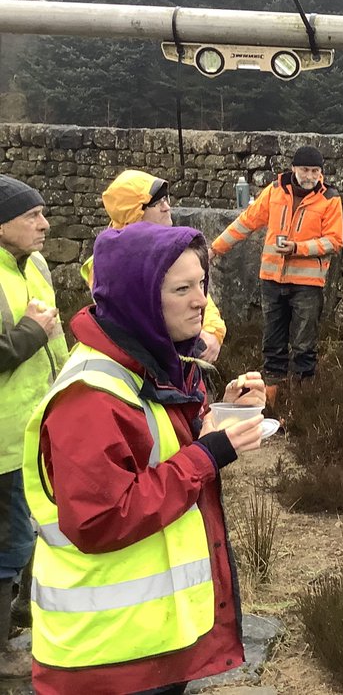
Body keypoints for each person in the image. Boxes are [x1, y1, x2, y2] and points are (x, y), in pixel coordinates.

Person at [21, 222, 266, 694]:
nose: (201, 301)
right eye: (182, 289)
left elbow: (158, 440)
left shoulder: (146, 358)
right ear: (139, 299)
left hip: (148, 639)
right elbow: (101, 519)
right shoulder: (90, 397)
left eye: (202, 284)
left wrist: (221, 412)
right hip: (106, 656)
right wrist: (207, 456)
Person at [210, 146, 343, 406]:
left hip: (307, 283)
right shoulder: (274, 191)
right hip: (272, 279)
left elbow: (335, 241)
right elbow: (246, 222)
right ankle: (271, 402)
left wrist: (298, 248)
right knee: (272, 344)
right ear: (293, 168)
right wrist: (215, 249)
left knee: (304, 346)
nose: (310, 176)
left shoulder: (329, 198)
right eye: (305, 170)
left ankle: (302, 404)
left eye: (315, 171)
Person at [0, 177, 67, 679]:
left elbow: (57, 338)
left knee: (36, 530)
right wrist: (29, 333)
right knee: (10, 543)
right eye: (32, 216)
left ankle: (23, 620)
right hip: (3, 441)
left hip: (41, 428)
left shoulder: (36, 263)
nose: (44, 225)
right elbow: (36, 334)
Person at [81, 169, 227, 362]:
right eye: (157, 203)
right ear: (136, 212)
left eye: (166, 200)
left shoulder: (170, 249)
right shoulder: (109, 266)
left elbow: (199, 297)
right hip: (147, 366)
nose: (167, 207)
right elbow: (143, 320)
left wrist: (212, 332)